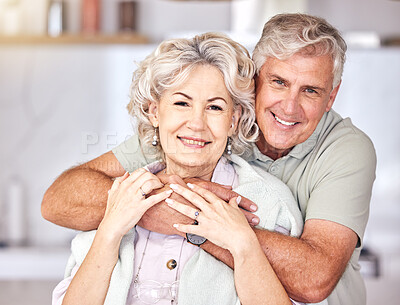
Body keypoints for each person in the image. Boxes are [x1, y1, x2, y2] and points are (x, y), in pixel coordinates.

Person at [42, 13, 377, 305]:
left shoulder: (341, 154)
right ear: (256, 80)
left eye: (311, 90)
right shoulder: (174, 139)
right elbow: (60, 199)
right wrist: (151, 206)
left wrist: (206, 224)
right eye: (278, 82)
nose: (289, 107)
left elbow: (313, 279)